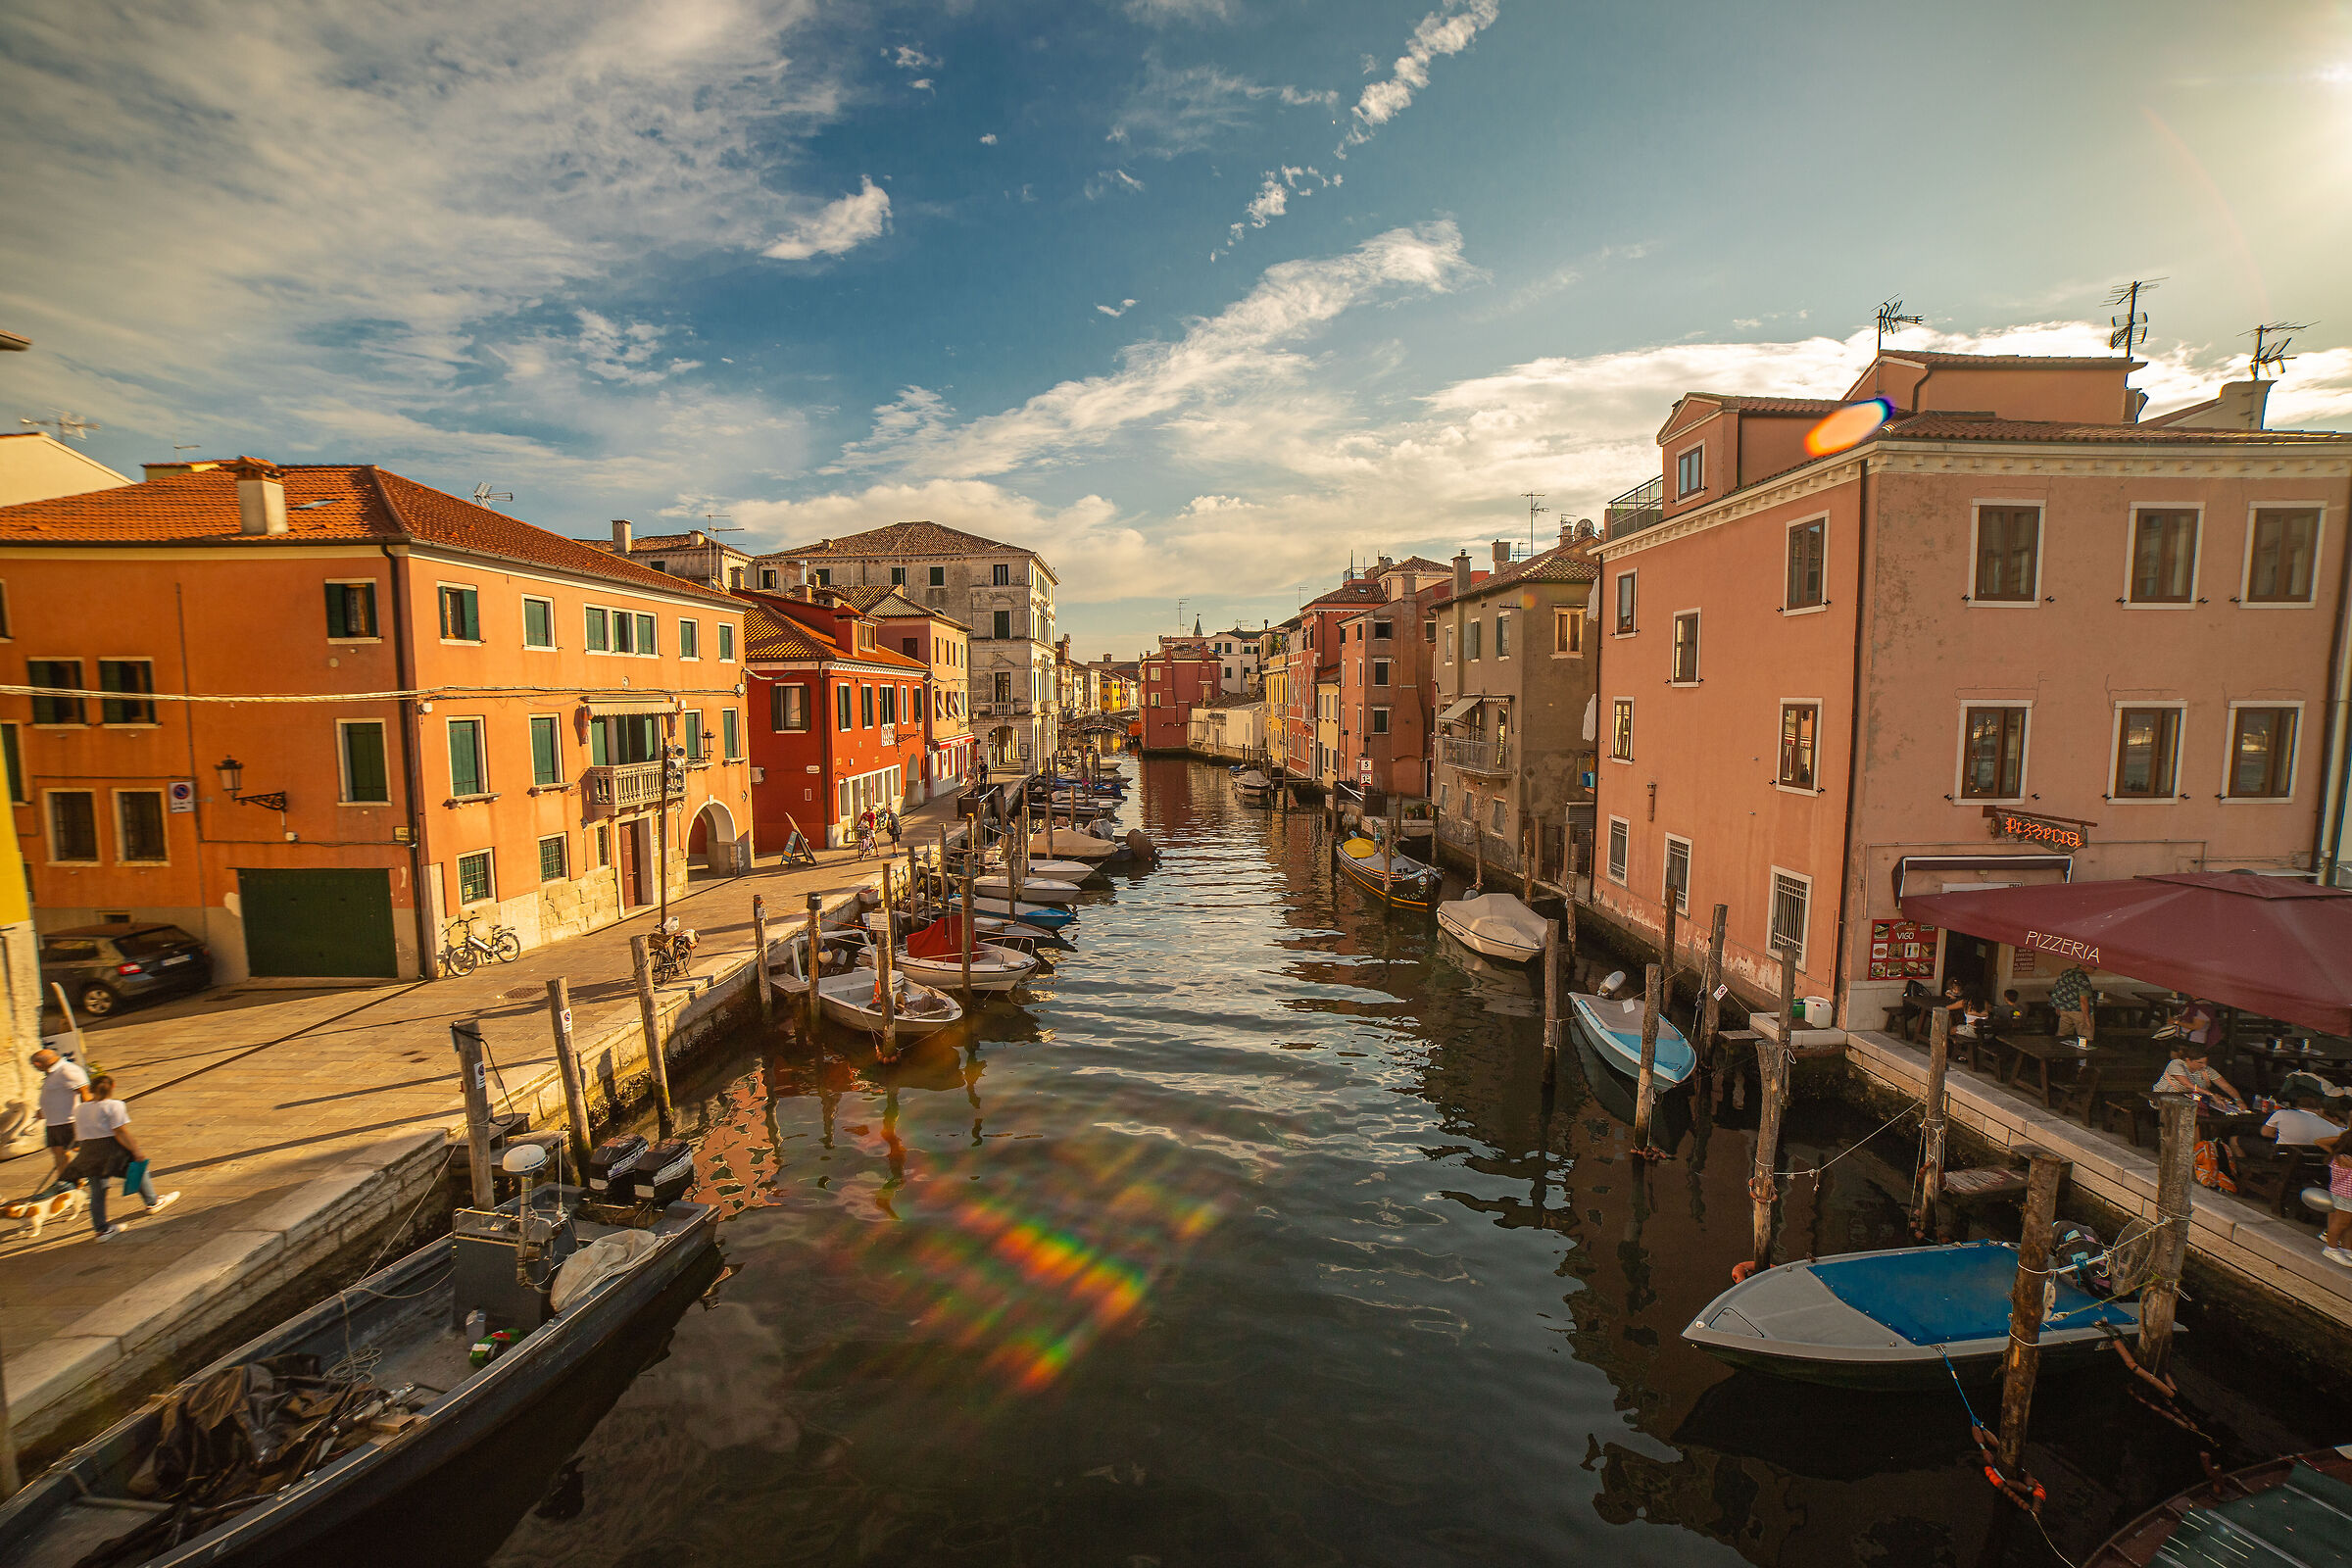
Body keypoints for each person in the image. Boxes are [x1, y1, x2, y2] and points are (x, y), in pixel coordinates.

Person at [63, 1074, 177, 1240]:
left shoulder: (80, 1109)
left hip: (88, 1149)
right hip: (110, 1147)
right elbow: (120, 1132)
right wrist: (136, 1150)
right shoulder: (115, 1105)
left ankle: (101, 1229)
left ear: (91, 1089)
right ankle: (152, 1201)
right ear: (113, 1087)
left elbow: (78, 1131)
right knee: (137, 1170)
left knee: (98, 1190)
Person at [30, 1047, 89, 1187]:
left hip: (69, 1121)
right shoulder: (53, 1072)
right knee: (59, 1152)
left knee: (79, 1150)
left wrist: (89, 1115)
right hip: (54, 1122)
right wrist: (44, 1110)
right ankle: (67, 1181)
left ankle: (88, 1175)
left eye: (34, 1065)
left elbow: (85, 1093)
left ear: (38, 1064)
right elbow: (57, 1095)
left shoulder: (67, 1070)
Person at [2152, 1045, 2248, 1114]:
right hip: (2164, 1098)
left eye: (2205, 1062)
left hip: (2190, 1101)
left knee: (2216, 1110)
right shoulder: (2176, 1064)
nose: (2204, 1065)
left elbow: (2226, 1086)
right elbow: (2188, 1085)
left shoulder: (2206, 1070)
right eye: (2200, 1062)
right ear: (2188, 1060)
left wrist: (2239, 1100)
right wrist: (2211, 1094)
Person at [2050, 962, 2096, 1045]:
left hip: (2064, 1009)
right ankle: (2083, 1053)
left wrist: (2057, 1007)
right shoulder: (2082, 978)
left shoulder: (2066, 973)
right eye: (2094, 967)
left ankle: (2060, 1051)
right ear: (2085, 966)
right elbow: (2083, 1000)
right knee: (2086, 1038)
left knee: (2062, 1037)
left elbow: (2057, 990)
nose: (2095, 970)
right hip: (2079, 1012)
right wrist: (2087, 1020)